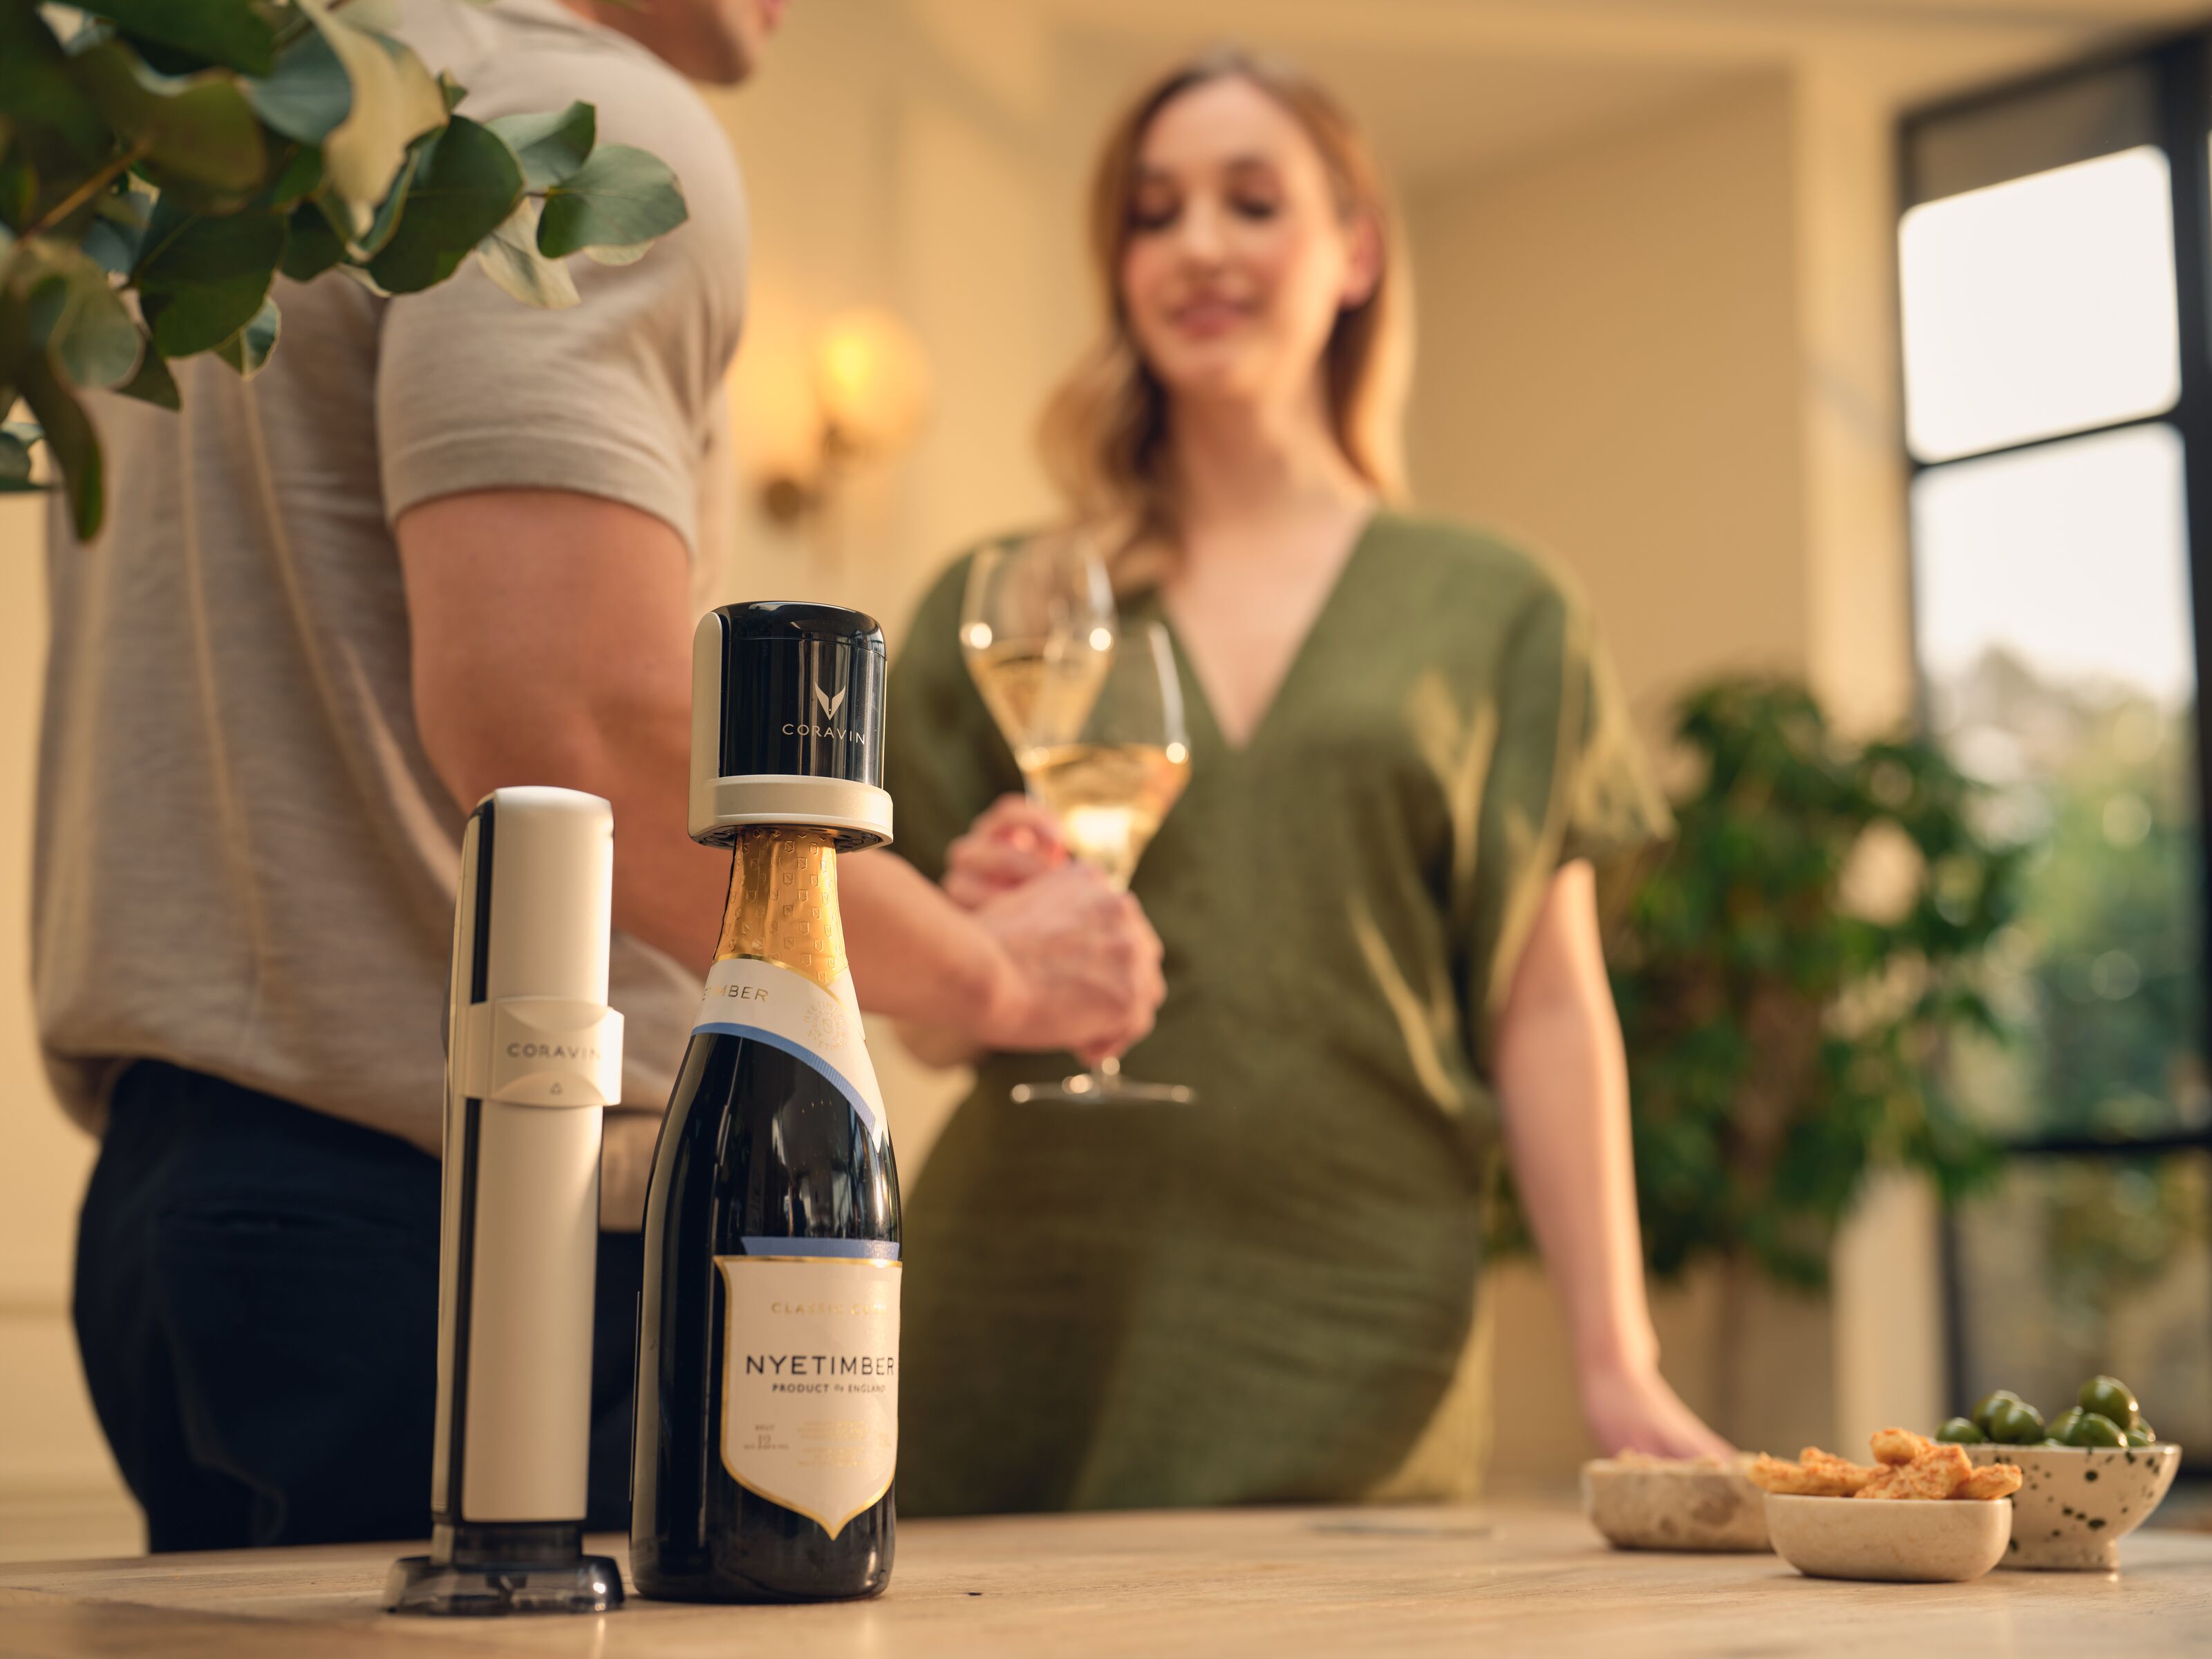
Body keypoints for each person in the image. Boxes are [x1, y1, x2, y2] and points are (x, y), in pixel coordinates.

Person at [38, 0, 1161, 1552]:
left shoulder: (201, 135)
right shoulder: (560, 123)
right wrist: (993, 980)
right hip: (475, 1240)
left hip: (204, 1213)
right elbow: (568, 729)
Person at [883, 46, 1727, 1515]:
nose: (1198, 243)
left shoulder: (1498, 608)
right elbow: (916, 1010)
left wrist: (1616, 1357)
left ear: (1354, 251)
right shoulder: (1008, 598)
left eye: (1250, 201)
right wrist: (974, 950)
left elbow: (1545, 1002)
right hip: (1018, 1299)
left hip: (1358, 1306)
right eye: (1154, 213)